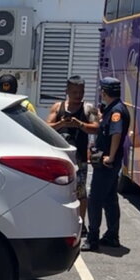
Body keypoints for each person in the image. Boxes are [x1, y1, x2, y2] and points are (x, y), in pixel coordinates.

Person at [46, 76, 100, 237]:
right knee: (57, 191)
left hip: (79, 158)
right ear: (67, 91)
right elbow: (46, 127)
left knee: (80, 192)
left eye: (81, 92)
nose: (78, 95)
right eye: (74, 92)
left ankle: (81, 224)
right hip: (60, 158)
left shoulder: (88, 108)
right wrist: (61, 124)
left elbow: (96, 128)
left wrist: (79, 124)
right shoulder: (58, 107)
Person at [82, 77, 130, 252]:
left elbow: (116, 134)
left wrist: (110, 157)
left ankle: (92, 239)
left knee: (94, 199)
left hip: (107, 163)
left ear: (104, 92)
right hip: (108, 162)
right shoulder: (113, 108)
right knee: (110, 199)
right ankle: (112, 236)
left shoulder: (116, 111)